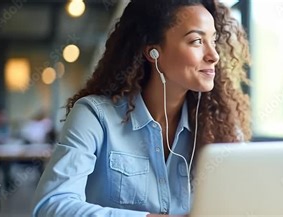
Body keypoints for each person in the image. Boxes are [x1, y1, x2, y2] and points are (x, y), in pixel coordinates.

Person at [32, 0, 251, 216]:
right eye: (196, 41)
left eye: (213, 40)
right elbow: (51, 205)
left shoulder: (220, 126)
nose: (214, 55)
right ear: (153, 52)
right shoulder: (94, 116)